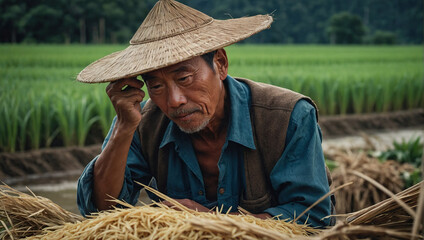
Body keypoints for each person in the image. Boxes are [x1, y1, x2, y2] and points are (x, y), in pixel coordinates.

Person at [77, 0, 334, 227]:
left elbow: (313, 216)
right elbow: (100, 213)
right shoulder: (140, 124)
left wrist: (211, 223)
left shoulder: (286, 117)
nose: (175, 100)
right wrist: (123, 128)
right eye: (156, 85)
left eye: (185, 77)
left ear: (220, 64)